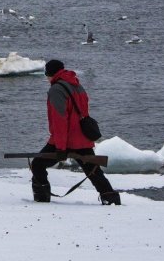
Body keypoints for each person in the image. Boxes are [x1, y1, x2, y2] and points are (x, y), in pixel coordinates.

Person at [30, 59, 121, 205]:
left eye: (47, 75)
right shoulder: (77, 85)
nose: (47, 78)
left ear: (50, 74)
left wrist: (61, 147)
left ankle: (42, 199)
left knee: (37, 164)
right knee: (93, 170)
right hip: (83, 138)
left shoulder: (56, 89)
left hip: (66, 139)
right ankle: (111, 198)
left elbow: (60, 120)